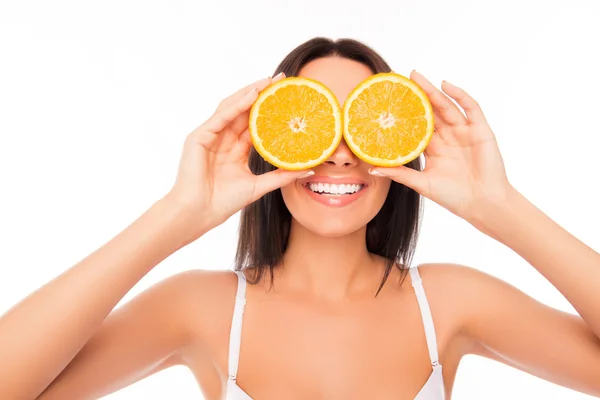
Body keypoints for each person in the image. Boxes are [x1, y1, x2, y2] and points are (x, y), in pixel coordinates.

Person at [0, 37, 599, 400]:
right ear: (270, 143)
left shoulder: (448, 302)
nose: (339, 152)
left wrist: (503, 209)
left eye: (364, 125)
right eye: (311, 123)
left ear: (399, 151)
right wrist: (175, 216)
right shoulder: (201, 310)